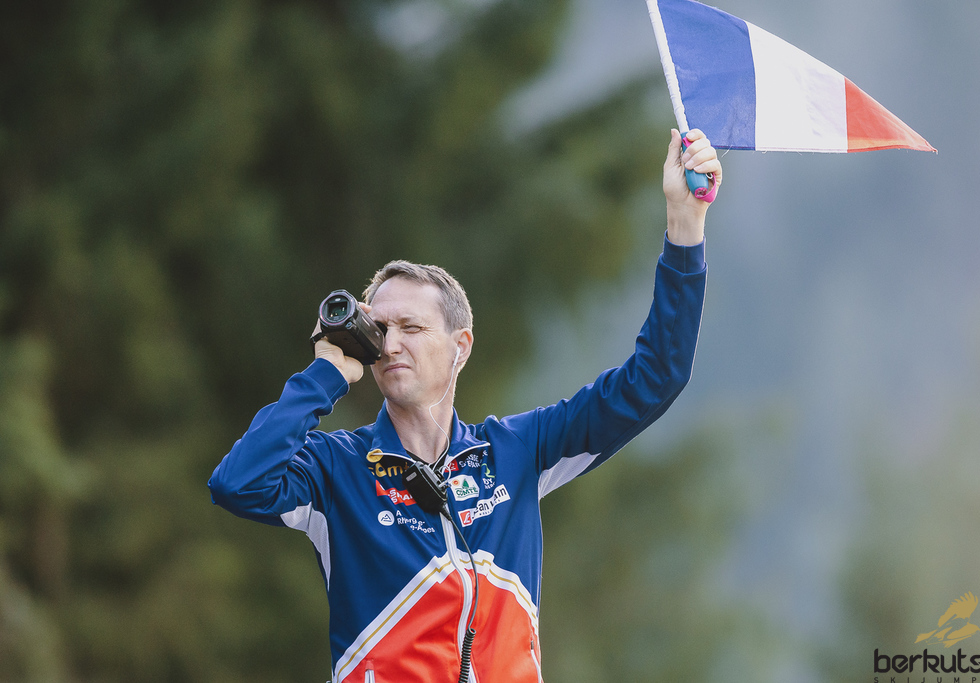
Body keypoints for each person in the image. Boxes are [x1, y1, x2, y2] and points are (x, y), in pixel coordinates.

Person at [208, 128, 723, 683]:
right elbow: (238, 484)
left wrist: (685, 222)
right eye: (380, 330)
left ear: (461, 347)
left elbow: (657, 377)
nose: (391, 344)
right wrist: (327, 373)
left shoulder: (518, 450)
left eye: (411, 328)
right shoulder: (337, 468)